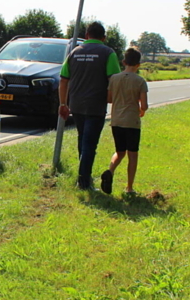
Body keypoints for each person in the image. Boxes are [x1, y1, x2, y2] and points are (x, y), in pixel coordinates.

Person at [58, 21, 121, 189]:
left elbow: (63, 80)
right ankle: (84, 181)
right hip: (96, 105)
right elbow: (114, 81)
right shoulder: (108, 53)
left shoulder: (74, 53)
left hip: (76, 104)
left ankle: (83, 176)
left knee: (83, 140)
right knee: (89, 144)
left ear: (86, 36)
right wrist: (112, 99)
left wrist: (63, 103)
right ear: (104, 37)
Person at [100, 46, 148, 195]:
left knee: (119, 151)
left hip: (116, 121)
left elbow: (108, 99)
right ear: (138, 64)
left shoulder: (114, 78)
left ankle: (110, 170)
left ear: (123, 62)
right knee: (132, 154)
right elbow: (144, 105)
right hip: (132, 122)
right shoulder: (140, 81)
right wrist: (141, 110)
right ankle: (129, 187)